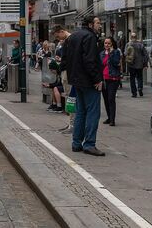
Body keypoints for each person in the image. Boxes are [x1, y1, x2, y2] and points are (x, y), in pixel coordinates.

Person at [64, 16, 105, 156]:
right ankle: (89, 144)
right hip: (88, 81)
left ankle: (76, 143)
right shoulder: (90, 37)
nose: (100, 25)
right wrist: (97, 79)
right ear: (90, 24)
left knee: (80, 112)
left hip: (76, 80)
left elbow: (66, 58)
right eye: (98, 23)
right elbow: (90, 61)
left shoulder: (74, 36)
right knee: (93, 112)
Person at [52, 26, 73, 133]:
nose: (58, 39)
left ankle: (72, 125)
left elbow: (69, 58)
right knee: (69, 98)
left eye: (58, 36)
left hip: (68, 73)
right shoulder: (66, 41)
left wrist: (60, 64)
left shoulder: (70, 40)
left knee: (71, 98)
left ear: (61, 31)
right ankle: (70, 123)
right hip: (66, 71)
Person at [100, 37, 122, 126]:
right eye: (105, 43)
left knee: (111, 98)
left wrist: (111, 53)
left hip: (113, 79)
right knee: (105, 99)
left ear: (112, 44)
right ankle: (109, 117)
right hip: (104, 79)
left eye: (109, 43)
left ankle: (112, 119)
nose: (107, 45)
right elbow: (100, 65)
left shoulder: (116, 52)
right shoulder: (101, 54)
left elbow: (116, 63)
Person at [125, 33, 149, 97]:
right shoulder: (140, 45)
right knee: (139, 77)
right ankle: (140, 88)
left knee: (132, 78)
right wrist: (145, 63)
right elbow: (146, 55)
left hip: (131, 64)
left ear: (131, 37)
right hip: (139, 64)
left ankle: (134, 93)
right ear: (136, 37)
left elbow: (125, 53)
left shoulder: (128, 44)